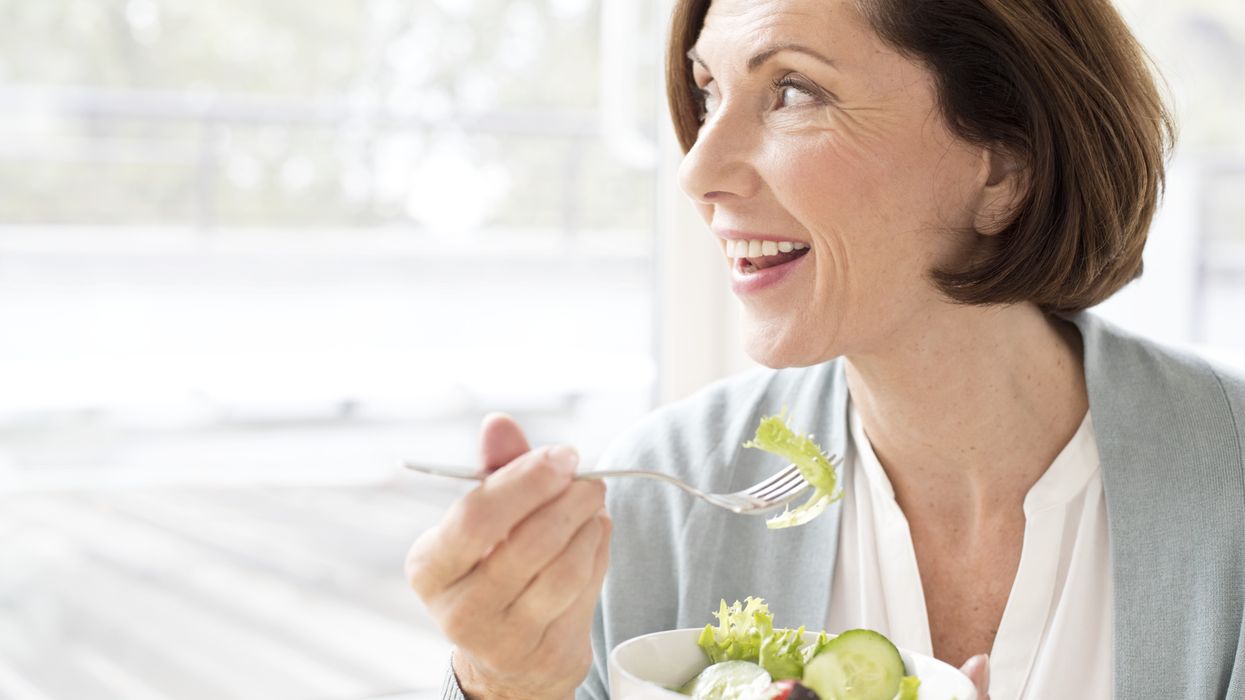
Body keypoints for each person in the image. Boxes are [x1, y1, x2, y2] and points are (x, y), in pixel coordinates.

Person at [406, 0, 1245, 698]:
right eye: (707, 93)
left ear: (1004, 167)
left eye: (793, 91)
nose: (698, 172)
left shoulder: (1228, 484)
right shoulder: (668, 498)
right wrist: (502, 682)